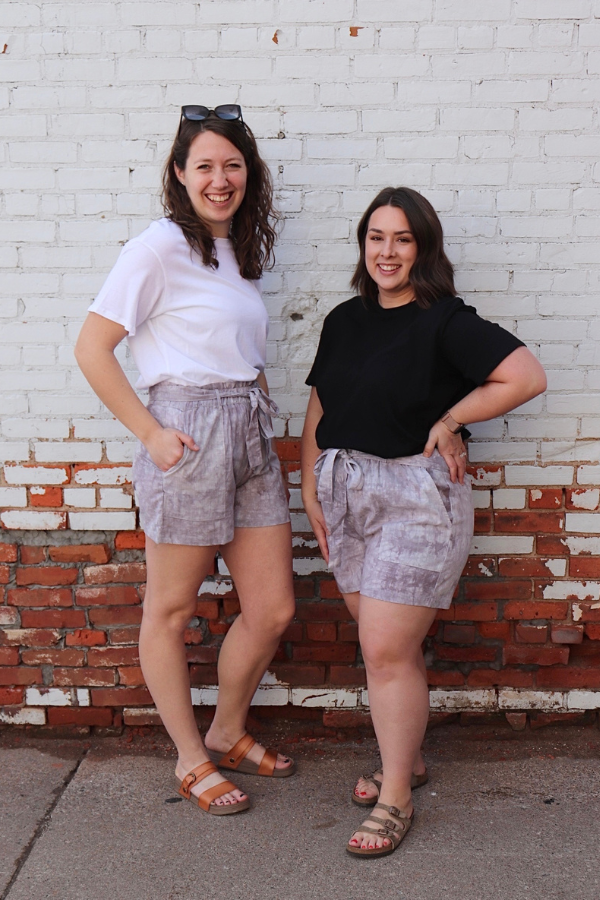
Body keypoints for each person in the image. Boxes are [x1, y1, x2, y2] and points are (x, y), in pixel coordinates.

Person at [301, 186, 546, 857]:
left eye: (402, 239)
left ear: (423, 248)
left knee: (383, 649)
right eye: (376, 237)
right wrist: (310, 486)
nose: (387, 252)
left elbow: (524, 376)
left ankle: (395, 799)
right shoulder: (345, 321)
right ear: (363, 246)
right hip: (345, 486)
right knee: (389, 650)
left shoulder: (446, 321)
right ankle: (403, 757)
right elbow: (321, 407)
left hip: (416, 494)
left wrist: (451, 419)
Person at [75, 105, 296, 817]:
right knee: (169, 610)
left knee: (272, 609)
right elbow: (91, 348)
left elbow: (241, 349)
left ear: (248, 174)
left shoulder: (236, 251)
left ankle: (228, 730)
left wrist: (263, 414)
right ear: (179, 174)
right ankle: (191, 757)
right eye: (204, 164)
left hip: (249, 431)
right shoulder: (155, 248)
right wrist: (153, 433)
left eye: (232, 164)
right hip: (191, 431)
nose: (219, 178)